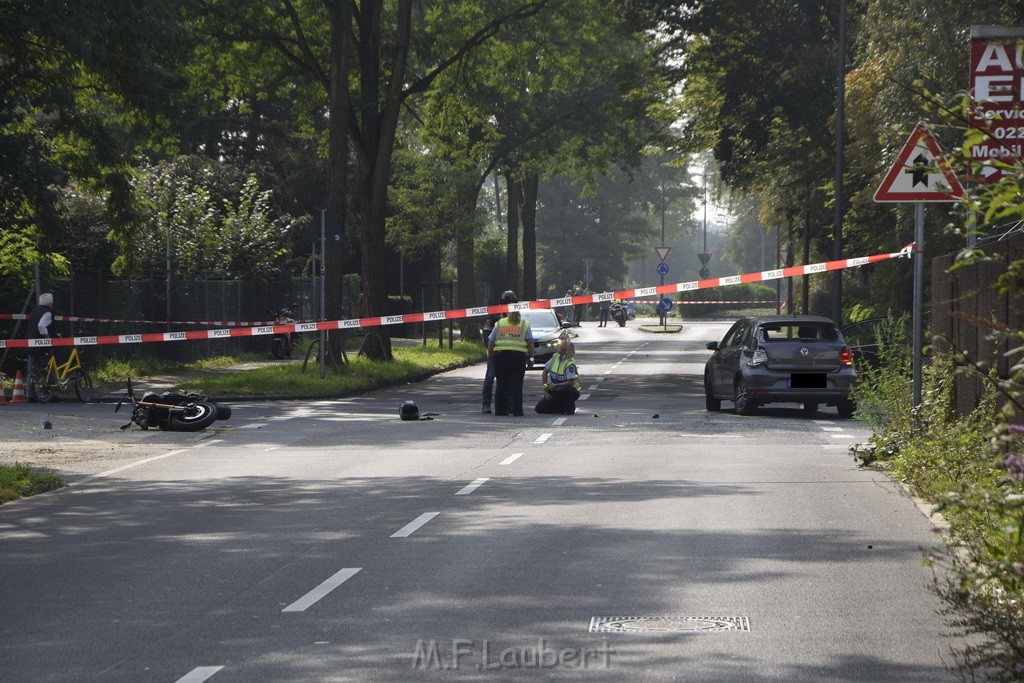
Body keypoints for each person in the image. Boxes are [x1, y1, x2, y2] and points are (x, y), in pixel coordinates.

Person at [487, 308, 536, 416]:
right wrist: (531, 357)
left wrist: (490, 354)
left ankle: (500, 410)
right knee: (517, 384)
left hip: (500, 356)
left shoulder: (499, 323)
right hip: (518, 357)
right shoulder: (525, 324)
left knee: (501, 383)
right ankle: (517, 410)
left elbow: (491, 340)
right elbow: (530, 342)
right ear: (519, 314)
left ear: (508, 313)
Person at [482, 290, 518, 413]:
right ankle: (486, 404)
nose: (511, 306)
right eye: (509, 303)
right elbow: (486, 335)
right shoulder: (494, 315)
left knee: (507, 380)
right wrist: (491, 351)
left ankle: (509, 404)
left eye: (513, 303)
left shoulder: (515, 316)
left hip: (508, 353)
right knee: (490, 378)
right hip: (495, 352)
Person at [535, 338, 581, 415]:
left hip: (570, 391)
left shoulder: (569, 363)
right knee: (539, 409)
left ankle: (570, 409)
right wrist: (545, 390)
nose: (557, 347)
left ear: (565, 349)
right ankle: (561, 407)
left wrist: (556, 385)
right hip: (556, 389)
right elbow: (545, 372)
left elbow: (570, 382)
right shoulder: (555, 357)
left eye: (559, 346)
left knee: (566, 390)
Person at [26, 292, 55, 400]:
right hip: (42, 346)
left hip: (31, 344)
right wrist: (48, 339)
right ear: (50, 302)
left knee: (32, 371)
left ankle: (30, 396)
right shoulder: (48, 312)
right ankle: (48, 394)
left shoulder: (34, 311)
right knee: (47, 369)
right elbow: (41, 326)